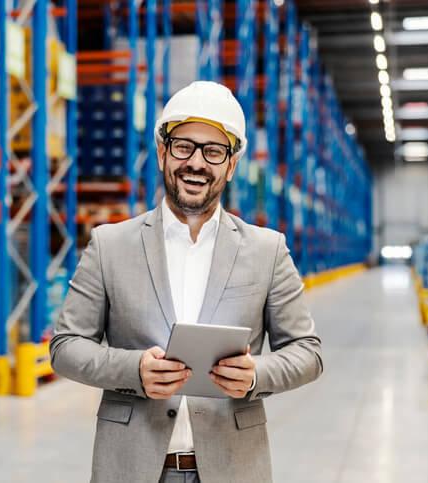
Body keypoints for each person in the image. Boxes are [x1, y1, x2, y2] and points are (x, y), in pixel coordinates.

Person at [50, 80, 323, 483]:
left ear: (231, 165)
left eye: (214, 151)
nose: (196, 163)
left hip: (232, 467)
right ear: (163, 152)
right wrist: (133, 369)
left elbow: (308, 352)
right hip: (131, 467)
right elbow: (65, 347)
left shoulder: (268, 250)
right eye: (184, 147)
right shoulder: (110, 245)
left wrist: (254, 375)